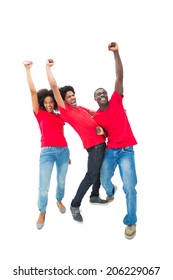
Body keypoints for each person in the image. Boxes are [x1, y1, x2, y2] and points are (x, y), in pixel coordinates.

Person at [46, 59, 108, 223]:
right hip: (93, 147)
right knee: (91, 175)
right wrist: (48, 68)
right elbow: (54, 87)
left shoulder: (80, 109)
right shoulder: (66, 111)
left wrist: (114, 111)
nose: (73, 98)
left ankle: (94, 195)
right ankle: (75, 205)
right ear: (63, 101)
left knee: (100, 171)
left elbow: (98, 113)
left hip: (102, 143)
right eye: (69, 96)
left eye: (74, 95)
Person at [93, 42, 138, 239]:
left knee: (130, 186)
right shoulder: (97, 118)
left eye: (103, 92)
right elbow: (97, 133)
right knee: (103, 179)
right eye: (98, 94)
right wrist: (100, 131)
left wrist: (116, 53)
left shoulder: (117, 100)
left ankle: (131, 221)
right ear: (95, 99)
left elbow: (120, 76)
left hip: (126, 150)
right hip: (111, 150)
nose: (102, 95)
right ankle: (111, 191)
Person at [23, 60, 70, 230]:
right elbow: (33, 91)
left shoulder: (59, 116)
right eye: (47, 102)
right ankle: (42, 211)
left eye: (52, 102)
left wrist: (68, 155)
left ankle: (59, 200)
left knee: (62, 181)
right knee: (43, 186)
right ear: (43, 103)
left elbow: (62, 134)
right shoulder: (39, 113)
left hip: (64, 151)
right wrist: (28, 70)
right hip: (47, 152)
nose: (49, 105)